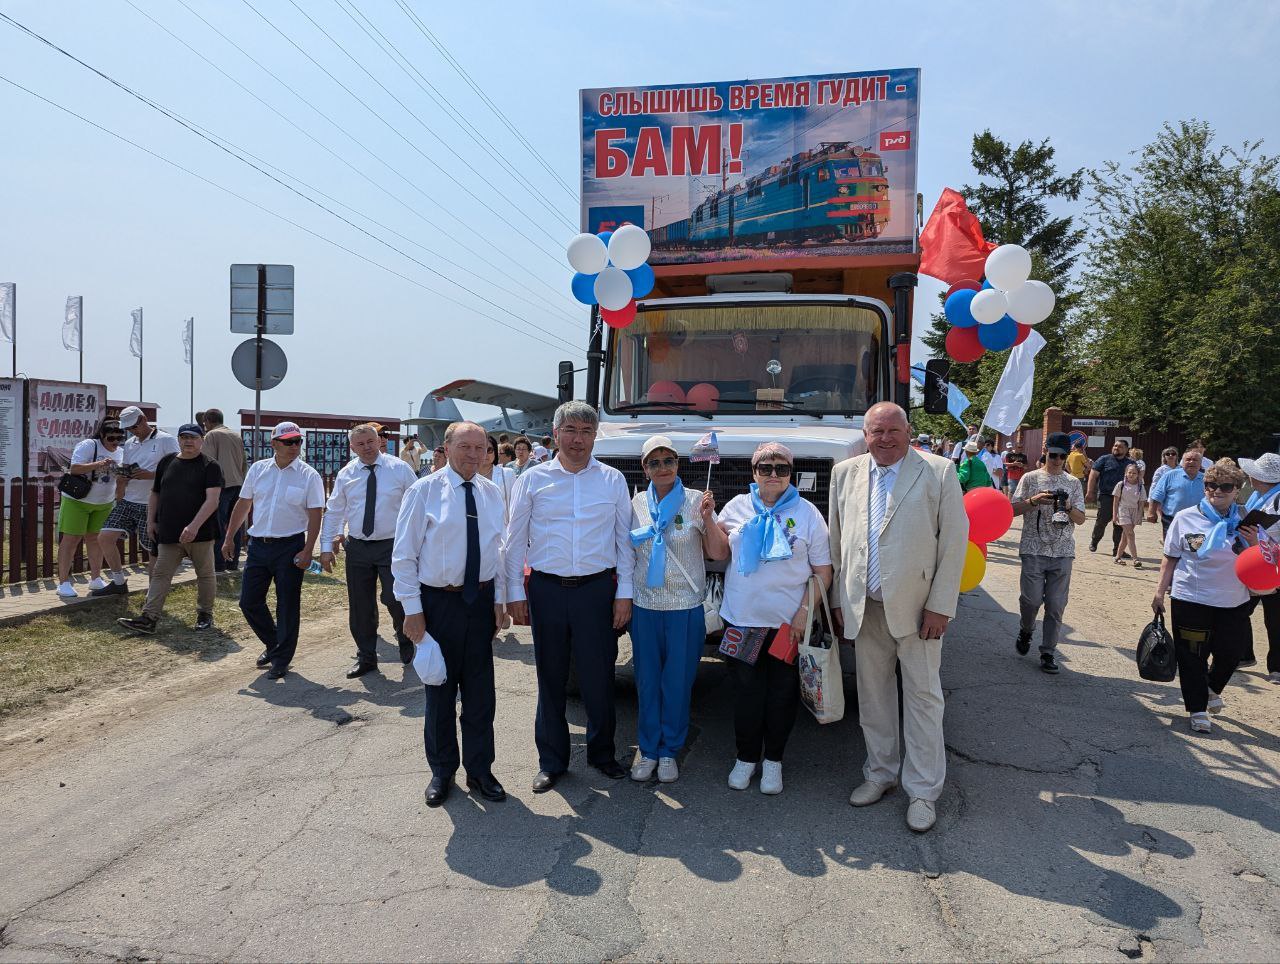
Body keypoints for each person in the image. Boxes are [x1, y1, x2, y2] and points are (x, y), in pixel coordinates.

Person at [829, 402, 968, 833]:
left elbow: (954, 543)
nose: (884, 439)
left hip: (918, 609)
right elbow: (837, 540)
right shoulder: (845, 473)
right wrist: (838, 600)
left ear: (908, 432)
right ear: (864, 435)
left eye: (893, 430)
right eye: (876, 431)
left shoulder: (939, 471)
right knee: (873, 697)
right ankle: (880, 775)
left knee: (923, 700)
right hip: (864, 606)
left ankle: (924, 792)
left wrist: (942, 605)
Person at [503, 401, 634, 793]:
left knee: (599, 676)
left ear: (596, 436)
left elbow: (624, 543)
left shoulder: (612, 480)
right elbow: (514, 541)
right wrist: (513, 593)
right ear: (555, 434)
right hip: (547, 590)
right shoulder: (532, 479)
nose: (578, 439)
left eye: (587, 431)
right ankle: (552, 761)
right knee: (551, 677)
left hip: (597, 590)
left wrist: (623, 594)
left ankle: (602, 753)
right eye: (571, 430)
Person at [393, 421, 509, 807]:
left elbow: (498, 552)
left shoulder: (492, 493)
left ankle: (480, 771)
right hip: (438, 603)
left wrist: (500, 602)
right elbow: (404, 556)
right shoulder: (422, 491)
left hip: (480, 602)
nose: (474, 454)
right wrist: (412, 611)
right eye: (465, 447)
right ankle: (443, 771)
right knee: (439, 693)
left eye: (481, 448)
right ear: (446, 447)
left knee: (480, 696)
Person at [715, 441, 828, 796]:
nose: (774, 474)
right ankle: (746, 757)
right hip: (743, 620)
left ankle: (774, 761)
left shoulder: (808, 513)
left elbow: (823, 571)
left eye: (781, 468)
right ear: (754, 473)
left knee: (781, 694)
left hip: (787, 625)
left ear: (790, 473)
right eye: (766, 468)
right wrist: (706, 518)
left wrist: (805, 611)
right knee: (746, 693)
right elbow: (718, 553)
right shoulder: (736, 507)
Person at [628, 435, 726, 784]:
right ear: (645, 468)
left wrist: (710, 519)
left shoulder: (697, 500)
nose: (663, 467)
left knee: (678, 683)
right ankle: (648, 748)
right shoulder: (636, 503)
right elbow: (627, 553)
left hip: (685, 607)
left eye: (668, 460)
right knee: (647, 681)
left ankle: (670, 749)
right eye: (654, 462)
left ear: (678, 464)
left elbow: (718, 553)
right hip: (645, 606)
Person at [1152, 459, 1259, 734]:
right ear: (1204, 486)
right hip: (1191, 598)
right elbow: (1170, 559)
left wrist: (1254, 543)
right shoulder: (1185, 517)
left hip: (1233, 600)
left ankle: (1211, 689)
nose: (1217, 491)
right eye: (1211, 485)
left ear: (1237, 490)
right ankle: (1197, 709)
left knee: (1231, 653)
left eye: (1225, 486)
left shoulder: (1248, 520)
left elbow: (1260, 561)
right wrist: (1159, 592)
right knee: (1192, 656)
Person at [222, 421, 325, 679]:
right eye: (288, 441)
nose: (294, 446)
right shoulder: (258, 470)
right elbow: (244, 503)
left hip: (290, 546)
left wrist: (308, 550)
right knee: (249, 602)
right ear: (274, 444)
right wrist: (229, 538)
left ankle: (281, 658)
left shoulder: (308, 475)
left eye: (298, 441)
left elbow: (315, 514)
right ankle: (274, 644)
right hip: (258, 546)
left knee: (287, 605)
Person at [320, 424, 419, 678]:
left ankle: (405, 637)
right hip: (358, 548)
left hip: (392, 546)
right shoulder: (346, 474)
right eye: (360, 444)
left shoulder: (400, 469)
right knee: (360, 605)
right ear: (352, 447)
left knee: (394, 597)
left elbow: (417, 506)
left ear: (379, 442)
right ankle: (366, 657)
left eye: (370, 442)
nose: (366, 448)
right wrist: (326, 546)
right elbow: (334, 511)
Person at [116, 423, 223, 634]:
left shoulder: (210, 466)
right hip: (169, 531)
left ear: (201, 440)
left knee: (205, 575)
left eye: (193, 437)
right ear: (179, 439)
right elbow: (155, 493)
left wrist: (193, 526)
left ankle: (204, 615)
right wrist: (151, 520)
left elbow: (212, 501)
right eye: (184, 437)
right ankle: (149, 618)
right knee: (160, 574)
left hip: (200, 533)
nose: (188, 441)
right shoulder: (167, 462)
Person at [1011, 431, 1087, 674]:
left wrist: (1068, 506)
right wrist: (1034, 501)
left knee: (1055, 605)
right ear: (1045, 453)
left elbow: (1082, 519)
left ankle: (1048, 652)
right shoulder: (1030, 478)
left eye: (1061, 456)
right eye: (1053, 455)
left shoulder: (1073, 483)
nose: (1056, 460)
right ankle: (1026, 629)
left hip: (1063, 551)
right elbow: (1012, 510)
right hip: (1033, 547)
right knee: (1031, 600)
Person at [90, 406, 179, 596]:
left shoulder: (166, 440)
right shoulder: (130, 444)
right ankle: (119, 582)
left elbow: (177, 471)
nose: (132, 431)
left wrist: (150, 475)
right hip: (129, 500)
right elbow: (127, 468)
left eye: (134, 427)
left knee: (153, 552)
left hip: (153, 503)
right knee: (104, 537)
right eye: (128, 429)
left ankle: (152, 596)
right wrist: (121, 476)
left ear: (144, 419)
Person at [55, 419, 126, 598]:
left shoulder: (122, 452)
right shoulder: (88, 445)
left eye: (119, 438)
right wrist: (99, 464)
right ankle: (63, 582)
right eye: (111, 438)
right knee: (71, 540)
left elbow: (121, 478)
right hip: (77, 501)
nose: (116, 442)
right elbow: (74, 468)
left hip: (104, 503)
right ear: (102, 435)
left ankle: (95, 578)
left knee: (96, 540)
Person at [1239, 453, 1280, 679]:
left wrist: (1258, 538)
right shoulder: (1257, 496)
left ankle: (1277, 667)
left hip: (1273, 565)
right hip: (1255, 562)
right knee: (1240, 610)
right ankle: (1244, 655)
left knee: (1275, 619)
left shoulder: (1277, 499)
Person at [199, 408, 248, 573]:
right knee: (235, 525)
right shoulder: (236, 435)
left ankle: (218, 563)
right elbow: (243, 463)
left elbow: (208, 462)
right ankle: (232, 562)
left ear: (208, 421)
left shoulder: (212, 435)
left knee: (218, 525)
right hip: (238, 484)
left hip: (221, 486)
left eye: (204, 422)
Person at [1086, 439, 1135, 555]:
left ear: (1126, 449)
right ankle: (1094, 541)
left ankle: (1117, 550)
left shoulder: (1131, 464)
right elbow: (1093, 476)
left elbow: (1135, 480)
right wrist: (1090, 491)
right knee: (1102, 520)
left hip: (1124, 498)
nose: (1116, 448)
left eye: (1120, 446)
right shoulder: (1104, 459)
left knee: (1119, 524)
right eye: (1115, 446)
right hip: (1106, 496)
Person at [1147, 449, 1205, 536]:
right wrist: (1151, 512)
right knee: (1171, 547)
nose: (1191, 462)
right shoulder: (1170, 475)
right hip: (1171, 519)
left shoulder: (1206, 479)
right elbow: (1157, 495)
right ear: (1182, 462)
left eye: (1195, 460)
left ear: (1200, 463)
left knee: (1193, 547)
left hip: (1197, 520)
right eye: (1188, 459)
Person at [1113, 464, 1148, 568]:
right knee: (1130, 534)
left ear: (1138, 474)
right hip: (1123, 510)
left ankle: (1117, 557)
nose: (1131, 475)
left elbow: (1141, 502)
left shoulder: (1140, 486)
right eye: (1129, 472)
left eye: (1134, 473)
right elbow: (1115, 501)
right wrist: (1114, 515)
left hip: (1134, 511)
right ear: (1125, 473)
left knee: (1126, 536)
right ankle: (1135, 559)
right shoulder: (1121, 484)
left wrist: (1139, 515)